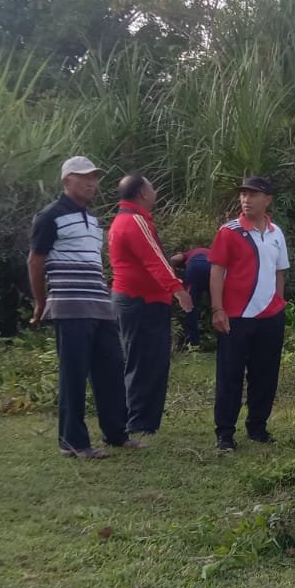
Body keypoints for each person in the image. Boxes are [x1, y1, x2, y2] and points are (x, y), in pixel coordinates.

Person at [28, 156, 140, 458]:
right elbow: (35, 262)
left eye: (94, 177)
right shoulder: (49, 216)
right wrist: (40, 302)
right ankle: (73, 442)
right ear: (67, 181)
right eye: (84, 177)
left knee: (112, 369)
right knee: (74, 374)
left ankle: (116, 433)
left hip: (100, 306)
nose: (92, 183)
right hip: (69, 306)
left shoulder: (93, 220)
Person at [208, 175, 290, 452]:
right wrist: (217, 309)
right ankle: (225, 433)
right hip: (236, 315)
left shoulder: (276, 232)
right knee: (230, 375)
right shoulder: (229, 231)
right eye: (243, 194)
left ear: (267, 199)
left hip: (270, 317)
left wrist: (278, 303)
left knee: (265, 374)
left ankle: (257, 426)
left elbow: (280, 271)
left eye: (253, 194)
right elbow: (217, 270)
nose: (246, 199)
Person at [109, 174, 193, 439]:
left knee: (137, 359)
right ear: (143, 194)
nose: (155, 191)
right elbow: (155, 260)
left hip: (131, 300)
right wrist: (178, 290)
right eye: (152, 187)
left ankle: (134, 418)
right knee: (147, 362)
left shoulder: (122, 220)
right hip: (142, 302)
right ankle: (139, 421)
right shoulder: (135, 220)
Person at [169, 246, 212, 350]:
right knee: (217, 304)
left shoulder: (187, 254)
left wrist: (172, 274)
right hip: (212, 267)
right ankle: (221, 338)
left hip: (194, 268)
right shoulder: (208, 251)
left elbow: (173, 259)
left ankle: (192, 343)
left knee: (190, 306)